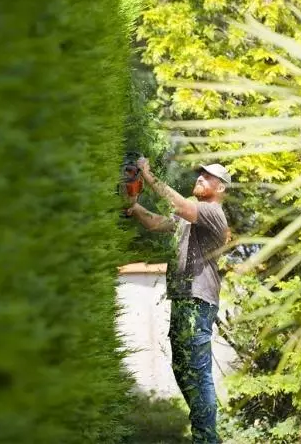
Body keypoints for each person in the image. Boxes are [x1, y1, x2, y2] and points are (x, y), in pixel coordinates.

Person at [126, 159, 230, 444]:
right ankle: (207, 434)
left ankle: (206, 438)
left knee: (198, 372)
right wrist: (136, 209)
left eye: (208, 177)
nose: (200, 178)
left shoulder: (212, 213)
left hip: (198, 300)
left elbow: (180, 205)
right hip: (183, 299)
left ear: (220, 187)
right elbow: (158, 223)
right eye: (200, 174)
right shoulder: (189, 218)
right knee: (183, 371)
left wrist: (148, 176)